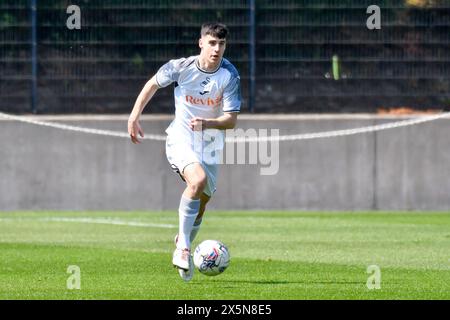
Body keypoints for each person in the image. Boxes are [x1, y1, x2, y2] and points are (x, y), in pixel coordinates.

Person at [127, 22, 241, 281]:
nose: (216, 49)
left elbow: (231, 120)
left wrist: (208, 124)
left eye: (221, 44)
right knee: (197, 180)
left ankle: (183, 238)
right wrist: (134, 116)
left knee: (201, 204)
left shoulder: (229, 75)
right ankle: (183, 248)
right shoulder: (180, 67)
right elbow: (152, 84)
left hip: (211, 145)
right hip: (181, 138)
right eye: (212, 43)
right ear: (201, 42)